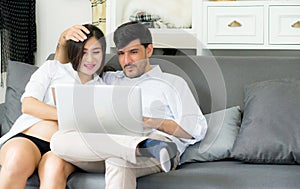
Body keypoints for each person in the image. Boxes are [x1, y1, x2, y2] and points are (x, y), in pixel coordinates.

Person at [51, 21, 207, 189]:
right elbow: (62, 78)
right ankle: (140, 147)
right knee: (58, 140)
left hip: (159, 146)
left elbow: (194, 130)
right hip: (109, 143)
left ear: (149, 50)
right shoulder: (108, 79)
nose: (126, 61)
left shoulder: (172, 83)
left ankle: (150, 145)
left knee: (118, 160)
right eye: (121, 53)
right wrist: (62, 43)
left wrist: (147, 121)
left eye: (133, 52)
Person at [0, 24, 106, 189]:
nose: (90, 59)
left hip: (65, 149)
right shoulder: (52, 68)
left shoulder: (103, 88)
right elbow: (28, 105)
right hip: (29, 138)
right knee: (17, 159)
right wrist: (71, 114)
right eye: (84, 52)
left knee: (53, 169)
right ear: (74, 51)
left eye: (96, 52)